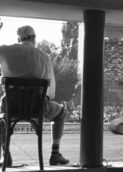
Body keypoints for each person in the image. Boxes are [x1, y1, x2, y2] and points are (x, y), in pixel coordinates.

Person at [0, 25, 69, 166]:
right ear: (34, 38)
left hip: (11, 106)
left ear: (19, 38)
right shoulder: (44, 57)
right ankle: (55, 154)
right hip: (38, 106)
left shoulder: (6, 50)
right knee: (61, 113)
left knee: (1, 113)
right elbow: (51, 92)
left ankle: (5, 154)